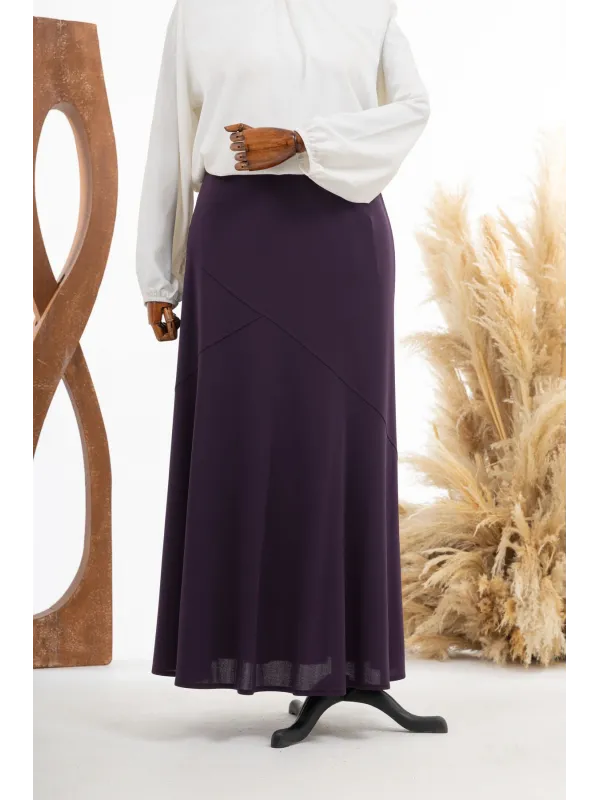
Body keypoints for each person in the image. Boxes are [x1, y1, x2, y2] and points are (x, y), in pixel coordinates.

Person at [136, 0, 430, 699]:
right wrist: (158, 275)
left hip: (343, 245)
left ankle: (343, 661)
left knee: (337, 445)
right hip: (237, 245)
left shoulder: (369, 11)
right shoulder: (200, 13)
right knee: (240, 441)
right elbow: (170, 136)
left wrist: (304, 142)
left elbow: (414, 109)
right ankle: (248, 651)